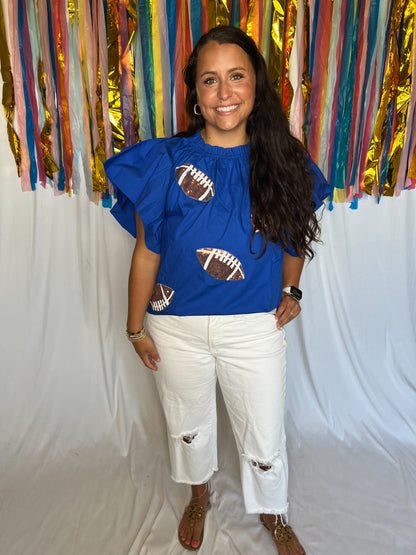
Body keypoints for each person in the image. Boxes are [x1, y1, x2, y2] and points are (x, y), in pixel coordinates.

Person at [104, 25, 331, 554]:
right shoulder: (164, 161)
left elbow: (297, 231)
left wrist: (292, 291)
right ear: (195, 92)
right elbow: (147, 250)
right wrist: (135, 327)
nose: (225, 92)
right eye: (211, 80)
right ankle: (199, 495)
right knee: (187, 424)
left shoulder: (283, 159)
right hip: (175, 326)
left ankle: (275, 516)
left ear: (256, 86)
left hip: (252, 326)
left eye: (236, 77)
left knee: (264, 432)